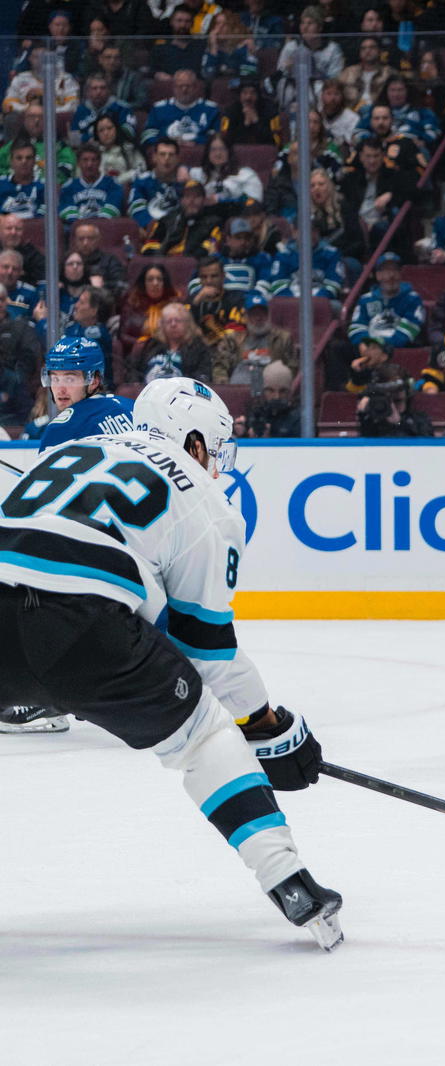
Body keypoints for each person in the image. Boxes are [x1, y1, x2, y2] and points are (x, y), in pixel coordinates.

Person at [0, 377, 342, 948]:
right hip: (80, 628)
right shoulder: (208, 504)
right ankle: (290, 883)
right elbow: (205, 655)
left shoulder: (71, 450)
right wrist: (267, 730)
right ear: (197, 444)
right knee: (203, 735)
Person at [0, 336, 137, 735]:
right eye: (54, 376)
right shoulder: (128, 409)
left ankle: (45, 699)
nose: (60, 388)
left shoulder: (63, 427)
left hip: (91, 551)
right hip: (137, 549)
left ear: (94, 378)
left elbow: (39, 509)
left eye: (71, 377)